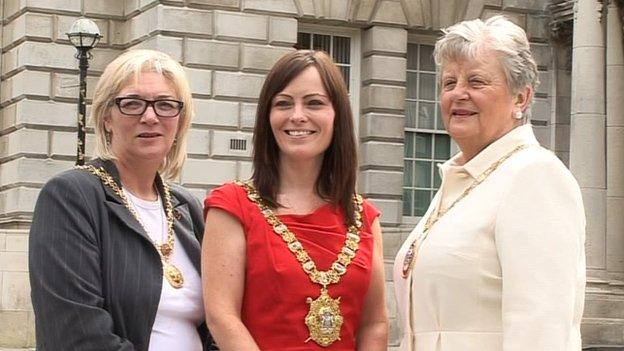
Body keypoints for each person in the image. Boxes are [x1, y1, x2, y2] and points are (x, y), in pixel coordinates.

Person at [393, 16, 586, 351]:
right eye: (449, 82)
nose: (458, 94)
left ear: (521, 99)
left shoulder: (535, 176)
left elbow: (540, 331)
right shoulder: (460, 181)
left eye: (477, 82)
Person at [29, 49, 215, 350]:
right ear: (106, 118)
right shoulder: (71, 196)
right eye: (132, 104)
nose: (151, 116)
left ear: (180, 122)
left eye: (166, 105)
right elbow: (76, 334)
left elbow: (219, 320)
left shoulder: (186, 206)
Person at [202, 50, 388, 350]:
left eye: (314, 103)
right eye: (283, 104)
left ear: (336, 115)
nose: (297, 115)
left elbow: (374, 323)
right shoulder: (232, 205)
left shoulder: (364, 216)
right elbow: (222, 317)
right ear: (268, 117)